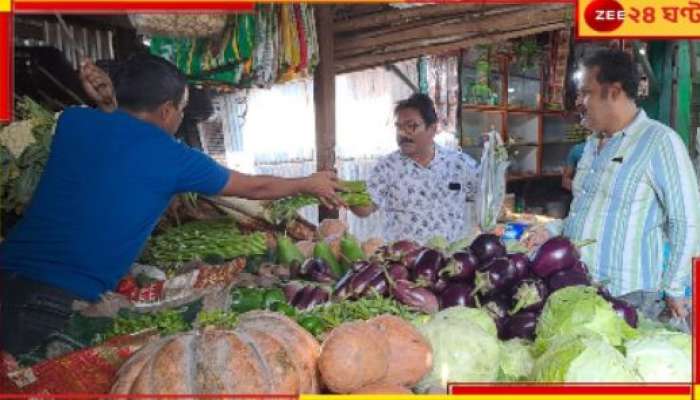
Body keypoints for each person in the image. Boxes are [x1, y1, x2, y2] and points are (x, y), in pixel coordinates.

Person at [0, 54, 345, 356]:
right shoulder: (174, 158)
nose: (180, 119)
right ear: (167, 110)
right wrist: (307, 182)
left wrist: (110, 104)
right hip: (51, 304)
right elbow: (256, 186)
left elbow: (113, 141)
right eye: (181, 110)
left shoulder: (75, 122)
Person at [525, 49, 700, 321]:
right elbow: (586, 214)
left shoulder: (659, 142)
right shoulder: (592, 145)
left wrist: (674, 287)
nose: (580, 102)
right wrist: (551, 229)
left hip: (629, 298)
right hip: (578, 289)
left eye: (587, 93)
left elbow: (686, 220)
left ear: (614, 92)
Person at [350, 93, 479, 244]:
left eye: (411, 126)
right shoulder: (387, 167)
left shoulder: (460, 164)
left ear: (432, 128)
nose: (402, 133)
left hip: (451, 261)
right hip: (402, 262)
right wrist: (343, 193)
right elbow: (366, 209)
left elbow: (485, 197)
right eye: (399, 127)